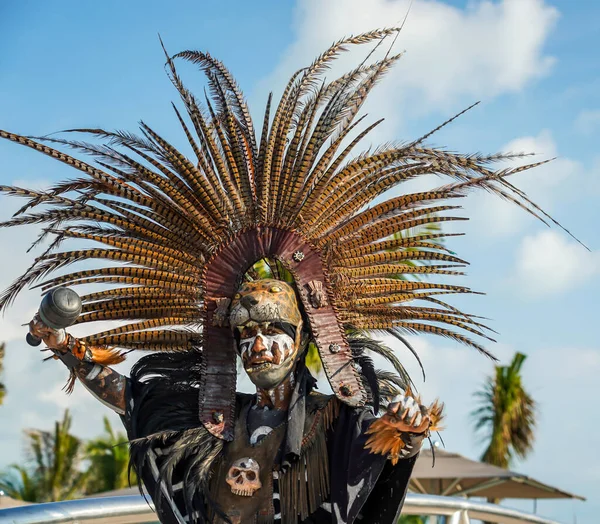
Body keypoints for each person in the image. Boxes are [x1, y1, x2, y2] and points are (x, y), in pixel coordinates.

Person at [1, 28, 569, 523]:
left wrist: (405, 428)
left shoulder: (334, 422)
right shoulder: (217, 422)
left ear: (302, 340)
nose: (260, 346)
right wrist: (64, 346)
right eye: (247, 335)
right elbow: (132, 398)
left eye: (273, 332)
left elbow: (381, 448)